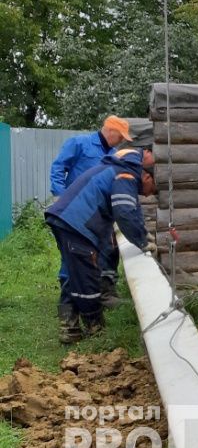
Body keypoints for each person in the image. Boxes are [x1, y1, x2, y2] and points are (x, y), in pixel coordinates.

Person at [45, 148, 156, 344]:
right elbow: (124, 212)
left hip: (67, 219)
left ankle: (70, 329)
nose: (148, 195)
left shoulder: (119, 170)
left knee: (76, 274)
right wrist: (143, 242)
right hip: (77, 223)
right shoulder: (126, 175)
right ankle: (95, 330)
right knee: (87, 277)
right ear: (147, 176)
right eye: (153, 189)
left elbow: (133, 211)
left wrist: (144, 233)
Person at [49, 115, 135, 307]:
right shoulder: (79, 143)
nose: (122, 140)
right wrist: (60, 195)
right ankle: (69, 304)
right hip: (74, 213)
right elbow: (58, 167)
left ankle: (100, 293)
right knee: (72, 254)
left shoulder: (114, 155)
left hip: (99, 214)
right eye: (121, 136)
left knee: (106, 250)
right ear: (110, 130)